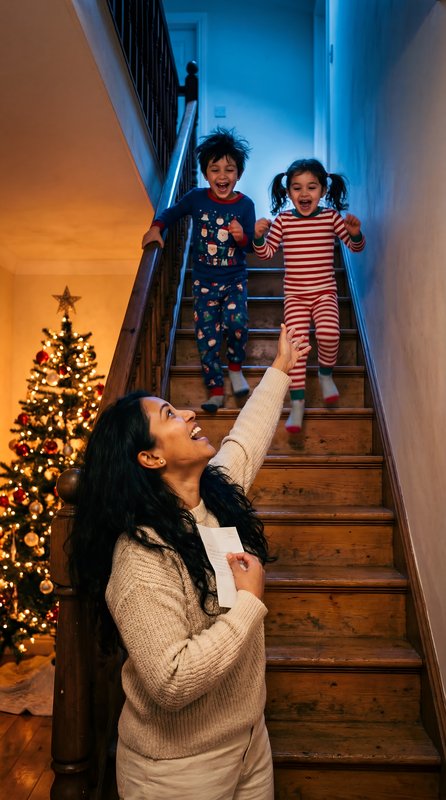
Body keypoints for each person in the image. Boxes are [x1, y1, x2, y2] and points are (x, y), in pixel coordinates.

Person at [69, 324, 310, 800]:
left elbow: (244, 442)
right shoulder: (140, 555)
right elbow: (171, 681)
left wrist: (280, 368)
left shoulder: (214, 498)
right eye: (170, 414)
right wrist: (247, 604)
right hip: (177, 772)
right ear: (151, 457)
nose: (190, 411)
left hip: (249, 745)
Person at [142, 127, 255, 413]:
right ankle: (216, 390)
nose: (222, 176)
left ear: (239, 174)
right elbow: (171, 212)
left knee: (237, 324)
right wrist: (156, 229)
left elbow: (250, 247)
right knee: (206, 337)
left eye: (229, 169)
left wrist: (242, 235)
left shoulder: (245, 205)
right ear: (206, 174)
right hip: (204, 283)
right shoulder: (196, 198)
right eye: (215, 169)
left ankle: (235, 366)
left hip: (234, 281)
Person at [254, 158, 366, 433]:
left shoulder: (330, 218)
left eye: (311, 187)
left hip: (325, 292)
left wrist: (355, 234)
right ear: (288, 192)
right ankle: (298, 405)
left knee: (329, 334)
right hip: (295, 296)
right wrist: (258, 237)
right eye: (297, 188)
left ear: (323, 190)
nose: (304, 194)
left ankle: (325, 373)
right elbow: (267, 253)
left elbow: (355, 247)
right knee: (297, 349)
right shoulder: (283, 221)